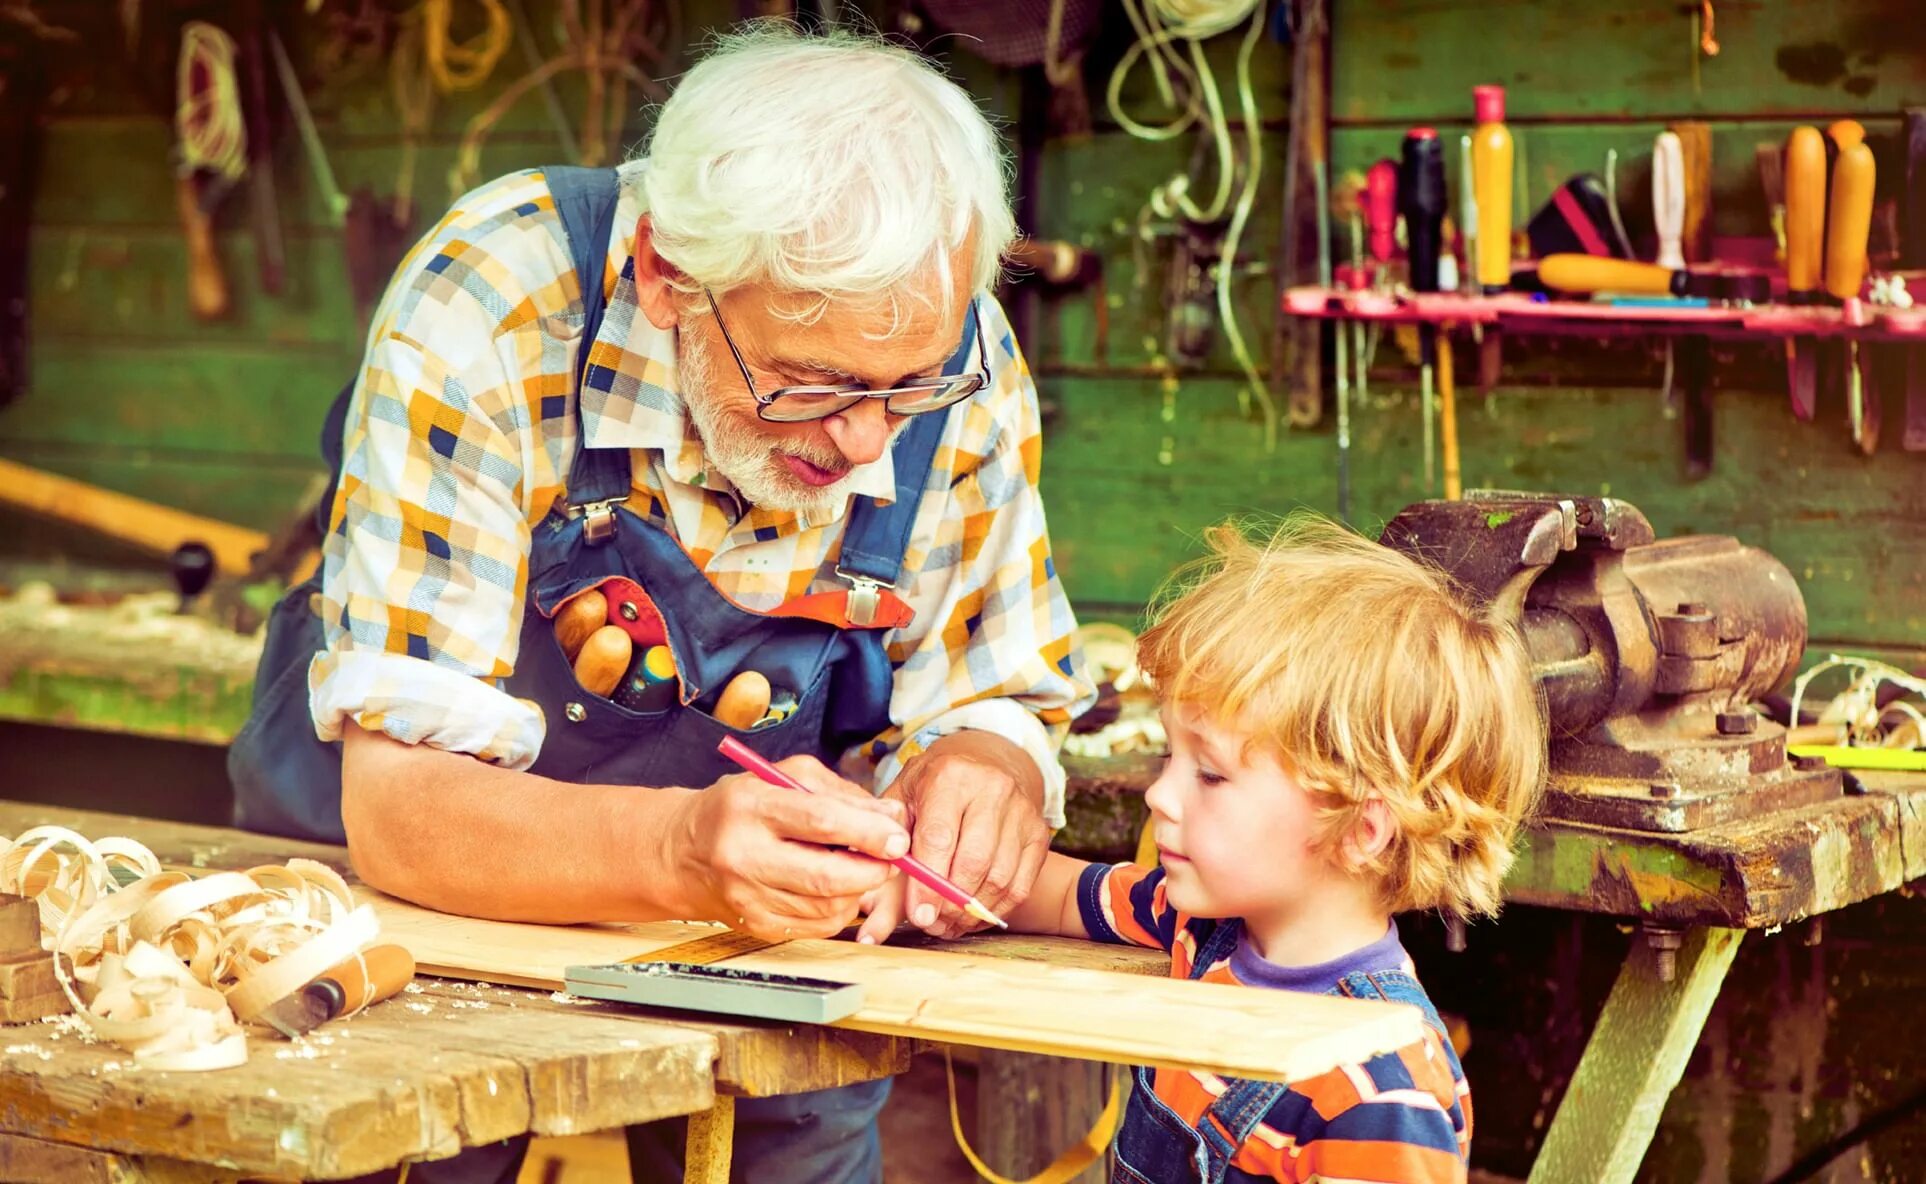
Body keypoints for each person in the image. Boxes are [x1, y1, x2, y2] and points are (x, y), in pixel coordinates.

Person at [229, 23, 1095, 1184]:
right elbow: (402, 808)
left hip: (764, 942)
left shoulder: (946, 352)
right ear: (666, 277)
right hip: (401, 921)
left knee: (801, 1130)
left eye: (906, 388)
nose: (864, 439)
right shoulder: (493, 300)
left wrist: (989, 762)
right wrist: (682, 847)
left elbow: (996, 685)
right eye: (810, 385)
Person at [998, 515, 1546, 1183]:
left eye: (1210, 774)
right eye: (1169, 756)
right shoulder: (1195, 922)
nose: (1159, 797)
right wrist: (908, 879)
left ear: (1358, 831)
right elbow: (1045, 894)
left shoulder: (1378, 1096)